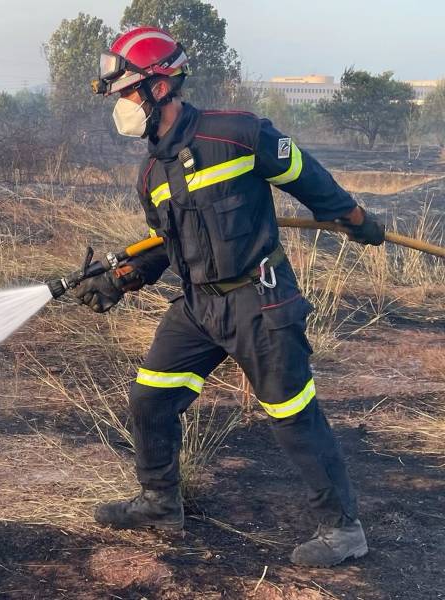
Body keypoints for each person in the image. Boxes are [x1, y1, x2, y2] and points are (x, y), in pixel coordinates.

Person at [74, 26, 385, 568]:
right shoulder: (151, 173)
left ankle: (343, 528)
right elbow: (166, 247)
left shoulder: (238, 133)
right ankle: (158, 502)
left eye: (128, 92)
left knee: (291, 414)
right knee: (150, 400)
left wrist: (357, 220)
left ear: (162, 85)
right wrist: (122, 278)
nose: (123, 105)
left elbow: (311, 181)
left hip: (258, 302)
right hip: (198, 306)